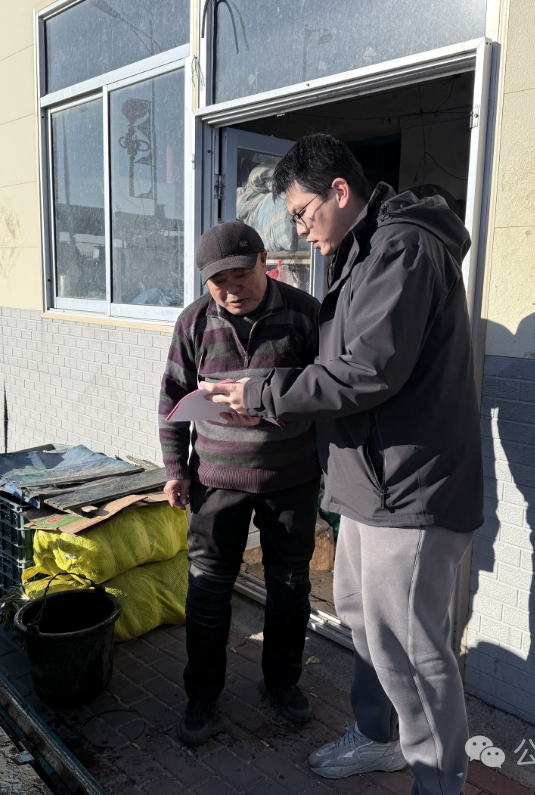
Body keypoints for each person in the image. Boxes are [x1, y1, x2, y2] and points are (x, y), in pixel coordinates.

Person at [203, 134, 483, 795]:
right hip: (369, 484)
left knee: (413, 649)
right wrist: (264, 391)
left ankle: (439, 781)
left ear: (339, 191)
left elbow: (368, 372)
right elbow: (343, 367)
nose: (301, 230)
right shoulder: (364, 251)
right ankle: (381, 738)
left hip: (408, 489)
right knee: (362, 617)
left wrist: (264, 395)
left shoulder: (403, 250)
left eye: (303, 213)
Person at [158, 220, 322, 747]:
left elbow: (329, 392)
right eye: (218, 282)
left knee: (289, 587)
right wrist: (175, 470)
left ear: (264, 262)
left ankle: (282, 684)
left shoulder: (305, 314)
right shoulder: (193, 323)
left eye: (240, 276)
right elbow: (172, 400)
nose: (232, 290)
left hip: (291, 479)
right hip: (215, 482)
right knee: (207, 590)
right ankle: (202, 695)